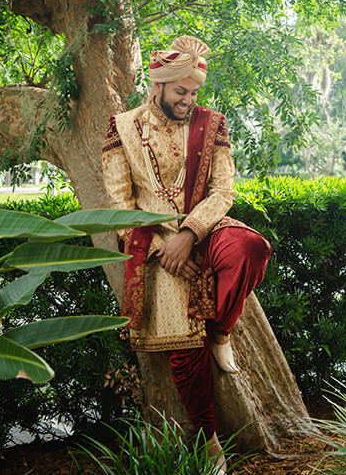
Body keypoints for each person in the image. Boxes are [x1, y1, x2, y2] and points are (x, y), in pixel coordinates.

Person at [101, 35, 271, 473]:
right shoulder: (121, 128)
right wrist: (163, 247)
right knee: (182, 346)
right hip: (153, 246)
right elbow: (120, 206)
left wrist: (191, 233)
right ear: (157, 85)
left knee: (251, 248)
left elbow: (223, 190)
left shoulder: (212, 124)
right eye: (181, 91)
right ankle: (211, 442)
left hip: (204, 230)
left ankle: (222, 333)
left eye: (194, 93)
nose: (188, 101)